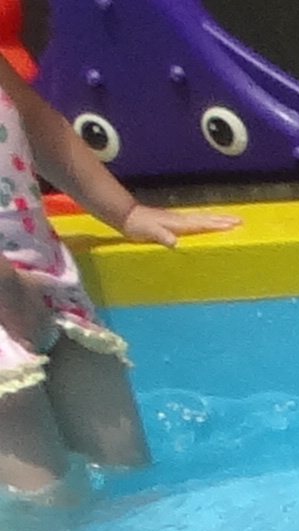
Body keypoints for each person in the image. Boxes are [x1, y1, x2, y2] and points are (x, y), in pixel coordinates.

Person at [1, 59, 232, 501]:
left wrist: (125, 212)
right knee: (43, 502)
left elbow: (36, 123)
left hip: (46, 283)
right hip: (9, 295)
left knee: (127, 471)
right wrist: (10, 292)